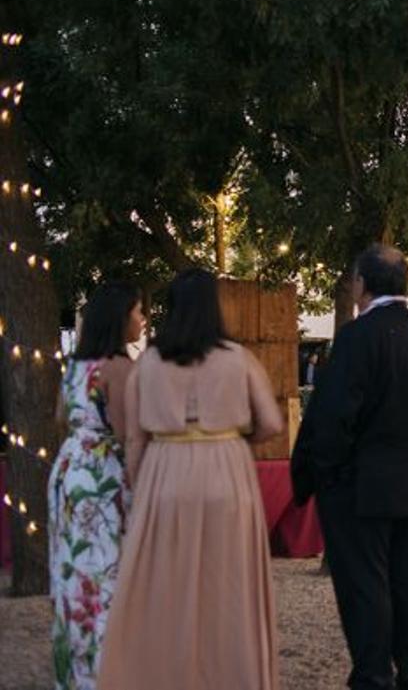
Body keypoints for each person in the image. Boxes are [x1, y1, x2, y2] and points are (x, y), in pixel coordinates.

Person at [98, 269, 283, 690]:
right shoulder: (238, 358)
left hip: (166, 471)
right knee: (229, 587)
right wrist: (235, 439)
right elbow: (272, 423)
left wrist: (138, 490)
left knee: (167, 583)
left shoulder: (148, 363)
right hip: (226, 469)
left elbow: (134, 440)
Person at [291, 244, 408, 690]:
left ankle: (374, 676)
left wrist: (322, 475)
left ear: (361, 284)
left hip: (362, 489)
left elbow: (333, 416)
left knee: (365, 589)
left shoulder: (358, 337)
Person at [48, 283, 143, 690]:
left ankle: (73, 674)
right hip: (103, 479)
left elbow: (58, 419)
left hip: (70, 471)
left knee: (72, 576)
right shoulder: (120, 369)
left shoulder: (74, 367)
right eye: (139, 312)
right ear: (120, 319)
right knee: (107, 577)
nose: (143, 320)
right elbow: (131, 435)